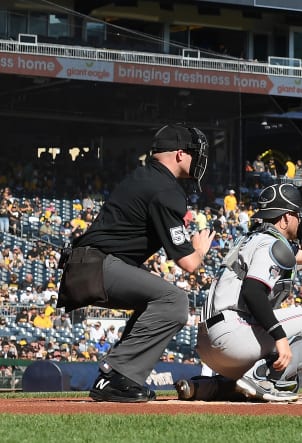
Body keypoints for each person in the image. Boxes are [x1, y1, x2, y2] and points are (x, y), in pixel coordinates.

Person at [57, 124, 213, 403]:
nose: (198, 160)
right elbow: (188, 263)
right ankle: (117, 375)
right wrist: (200, 250)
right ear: (179, 154)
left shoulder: (145, 176)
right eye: (194, 153)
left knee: (154, 301)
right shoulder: (165, 189)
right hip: (95, 265)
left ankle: (116, 378)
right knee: (174, 301)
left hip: (89, 264)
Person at [174, 183, 302, 402]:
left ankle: (209, 387)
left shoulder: (253, 240)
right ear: (285, 219)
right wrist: (280, 337)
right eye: (298, 214)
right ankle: (261, 378)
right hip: (234, 336)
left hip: (210, 344)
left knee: (287, 383)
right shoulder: (272, 244)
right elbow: (253, 291)